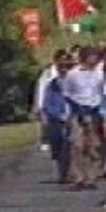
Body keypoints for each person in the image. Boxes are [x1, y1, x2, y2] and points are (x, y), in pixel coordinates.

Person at [63, 47, 105, 189]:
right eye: (92, 57)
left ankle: (91, 177)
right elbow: (67, 94)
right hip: (78, 110)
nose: (94, 60)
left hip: (94, 110)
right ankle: (78, 177)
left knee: (94, 146)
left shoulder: (99, 74)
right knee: (78, 145)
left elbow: (103, 92)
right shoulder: (72, 74)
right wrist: (78, 110)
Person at [42, 53, 75, 183]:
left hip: (73, 117)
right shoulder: (52, 85)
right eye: (61, 67)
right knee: (58, 146)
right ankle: (62, 173)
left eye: (67, 67)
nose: (64, 70)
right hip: (56, 120)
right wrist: (57, 115)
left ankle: (70, 173)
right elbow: (47, 104)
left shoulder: (74, 83)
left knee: (72, 147)